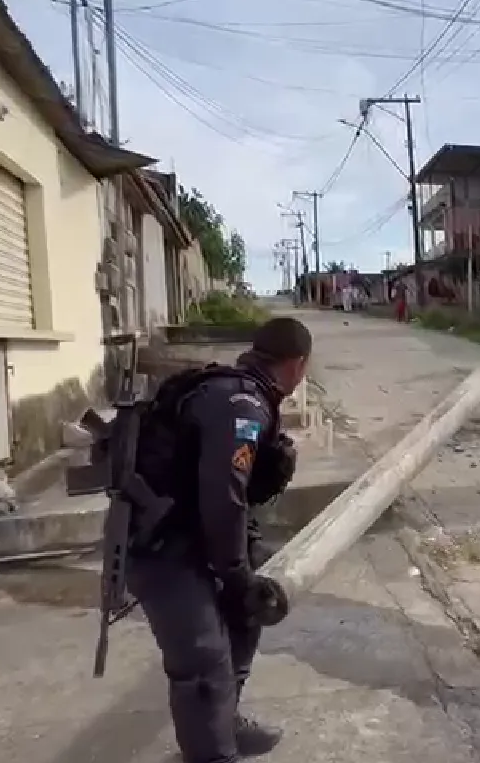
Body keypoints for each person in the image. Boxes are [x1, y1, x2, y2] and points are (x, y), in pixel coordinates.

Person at [126, 317, 311, 763]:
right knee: (204, 666)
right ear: (298, 365)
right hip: (163, 544)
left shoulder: (241, 393)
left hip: (193, 532)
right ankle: (213, 752)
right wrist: (235, 573)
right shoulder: (242, 404)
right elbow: (223, 493)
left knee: (247, 612)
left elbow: (233, 499)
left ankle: (224, 725)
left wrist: (245, 575)